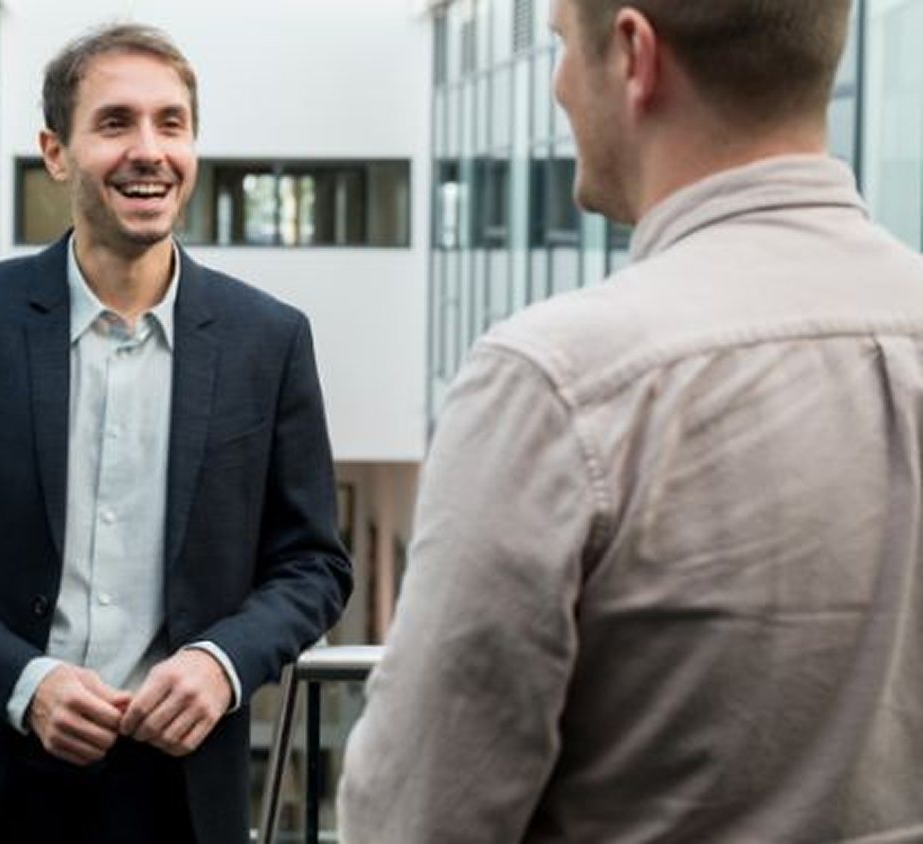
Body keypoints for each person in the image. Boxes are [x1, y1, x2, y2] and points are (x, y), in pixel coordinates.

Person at [339, 0, 923, 840]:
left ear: (631, 53)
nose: (557, 86)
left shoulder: (554, 383)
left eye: (559, 48)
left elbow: (417, 815)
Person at [0, 22, 351, 844]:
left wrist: (220, 664)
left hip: (177, 795)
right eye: (115, 123)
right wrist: (21, 681)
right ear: (56, 152)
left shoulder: (270, 339)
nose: (148, 150)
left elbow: (313, 564)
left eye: (170, 123)